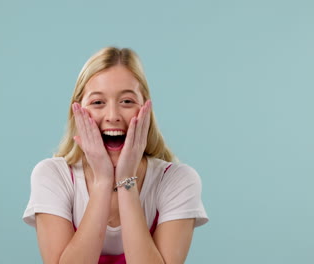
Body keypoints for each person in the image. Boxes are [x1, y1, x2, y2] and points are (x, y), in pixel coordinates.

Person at [22, 47, 209, 264]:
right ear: (77, 111)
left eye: (127, 101)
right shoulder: (52, 176)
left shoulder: (177, 180)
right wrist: (103, 182)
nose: (112, 116)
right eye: (97, 102)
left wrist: (125, 181)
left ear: (146, 111)